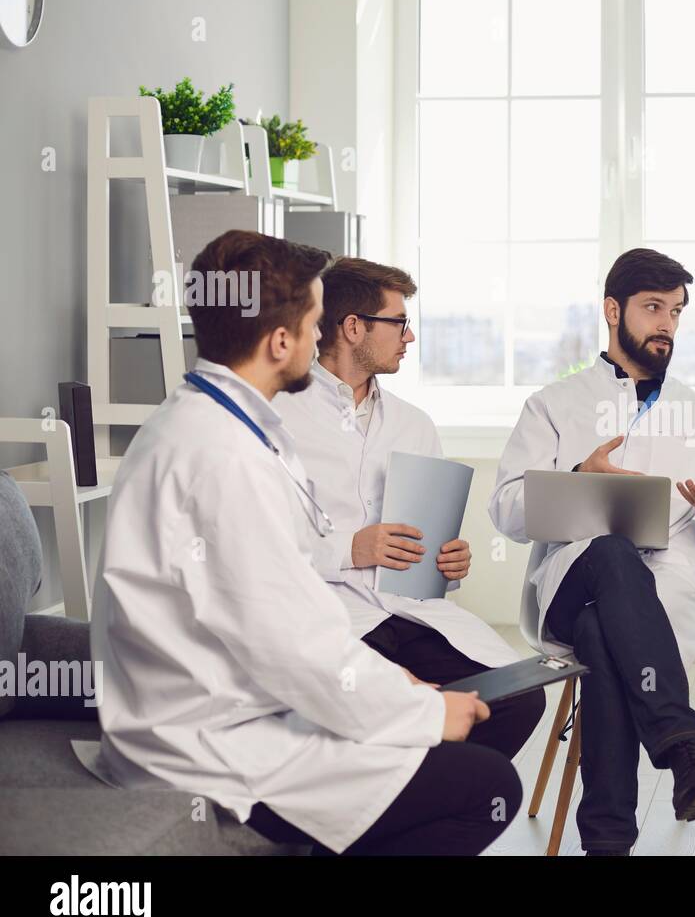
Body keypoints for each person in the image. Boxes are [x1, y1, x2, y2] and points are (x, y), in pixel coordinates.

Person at [91, 230, 520, 856]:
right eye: (315, 322)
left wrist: (388, 684)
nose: (322, 338)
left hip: (232, 705)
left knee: (458, 747)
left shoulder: (208, 425)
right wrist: (420, 713)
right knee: (486, 787)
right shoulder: (223, 456)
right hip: (208, 746)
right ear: (281, 340)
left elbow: (282, 606)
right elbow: (287, 639)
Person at [488, 248, 695, 854]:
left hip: (664, 598)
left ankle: (608, 840)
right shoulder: (554, 403)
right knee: (612, 553)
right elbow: (507, 512)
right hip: (567, 583)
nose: (666, 323)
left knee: (603, 632)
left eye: (675, 311)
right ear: (613, 311)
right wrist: (577, 478)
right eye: (652, 308)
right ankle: (684, 746)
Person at [274, 257, 543, 760]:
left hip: (411, 613)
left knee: (517, 698)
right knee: (378, 707)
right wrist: (350, 549)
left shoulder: (414, 424)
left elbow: (426, 551)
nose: (410, 337)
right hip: (334, 615)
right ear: (353, 327)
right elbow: (257, 550)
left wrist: (449, 564)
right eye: (399, 323)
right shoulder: (278, 416)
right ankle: (403, 806)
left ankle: (428, 811)